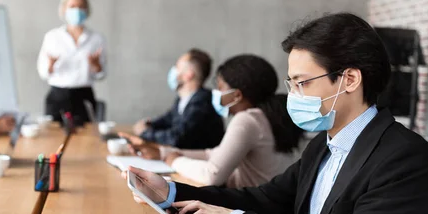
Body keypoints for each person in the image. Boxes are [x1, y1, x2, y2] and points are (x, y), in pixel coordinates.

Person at [123, 13, 428, 214]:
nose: (293, 96)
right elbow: (266, 199)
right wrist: (172, 193)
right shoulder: (325, 143)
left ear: (350, 80)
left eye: (303, 83)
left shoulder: (404, 158)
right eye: (291, 84)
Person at [122, 55, 303, 188]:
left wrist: (172, 159)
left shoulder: (248, 120)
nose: (215, 93)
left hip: (253, 210)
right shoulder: (265, 116)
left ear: (237, 95)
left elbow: (212, 175)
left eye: (220, 87)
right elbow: (214, 154)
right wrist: (162, 152)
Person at [37, 0, 107, 126]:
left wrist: (96, 66)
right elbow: (43, 72)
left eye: (81, 7)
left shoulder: (96, 39)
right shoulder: (52, 37)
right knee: (54, 140)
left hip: (84, 96)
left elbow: (102, 74)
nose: (77, 10)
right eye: (72, 6)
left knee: (85, 140)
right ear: (64, 9)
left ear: (87, 10)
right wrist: (50, 66)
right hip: (58, 97)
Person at [132, 49, 225, 150]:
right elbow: (167, 120)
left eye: (177, 67)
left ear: (188, 75)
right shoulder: (183, 99)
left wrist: (145, 133)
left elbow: (178, 138)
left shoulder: (203, 101)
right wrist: (148, 124)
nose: (173, 71)